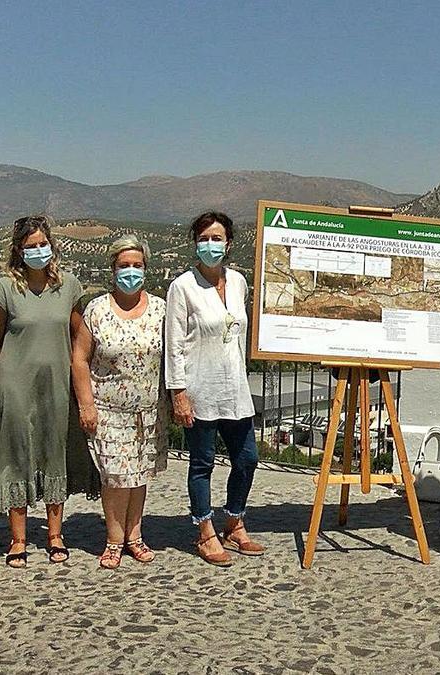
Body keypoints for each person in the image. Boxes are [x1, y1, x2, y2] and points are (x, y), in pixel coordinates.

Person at [0, 215, 94, 568]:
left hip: (57, 385)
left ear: (53, 246)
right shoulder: (5, 289)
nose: (38, 251)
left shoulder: (70, 287)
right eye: (31, 246)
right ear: (18, 251)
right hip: (14, 385)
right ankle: (18, 538)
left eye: (43, 244)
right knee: (17, 455)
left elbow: (80, 335)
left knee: (52, 450)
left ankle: (55, 534)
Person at [166, 211, 263, 567]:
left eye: (216, 238)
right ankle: (204, 531)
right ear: (196, 244)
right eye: (204, 238)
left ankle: (234, 521)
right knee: (202, 463)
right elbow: (174, 343)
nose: (210, 244)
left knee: (247, 459)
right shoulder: (182, 287)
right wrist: (178, 392)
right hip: (199, 389)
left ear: (229, 243)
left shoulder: (238, 282)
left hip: (235, 388)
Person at [72, 235, 168, 570]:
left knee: (138, 475)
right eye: (124, 266)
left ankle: (135, 535)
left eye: (137, 265)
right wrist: (86, 404)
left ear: (146, 268)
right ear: (113, 269)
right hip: (108, 409)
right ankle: (114, 540)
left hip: (149, 410)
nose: (131, 271)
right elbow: (80, 359)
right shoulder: (97, 309)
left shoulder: (161, 309)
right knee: (114, 476)